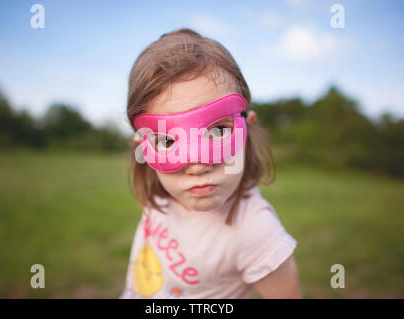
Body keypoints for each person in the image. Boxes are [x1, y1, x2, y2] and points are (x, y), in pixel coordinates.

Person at [120, 28, 301, 299]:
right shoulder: (162, 197)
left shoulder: (255, 230)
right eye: (167, 142)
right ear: (143, 149)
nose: (197, 166)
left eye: (218, 131)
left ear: (247, 130)